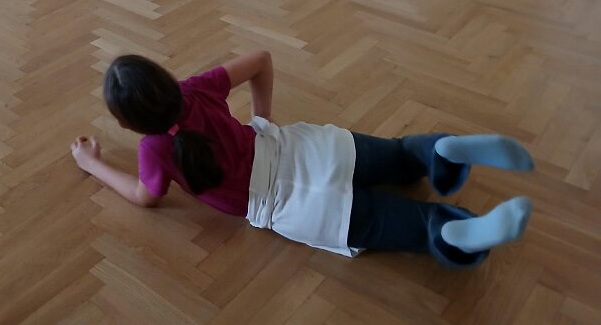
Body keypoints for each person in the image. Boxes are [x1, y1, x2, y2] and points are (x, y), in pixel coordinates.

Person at [70, 52, 535, 268]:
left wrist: (93, 164)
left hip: (298, 208)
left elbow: (144, 196)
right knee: (398, 154)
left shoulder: (153, 150)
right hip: (307, 150)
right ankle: (440, 152)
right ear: (166, 80)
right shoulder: (196, 89)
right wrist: (263, 119)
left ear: (129, 125)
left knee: (402, 224)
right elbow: (261, 60)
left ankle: (452, 230)